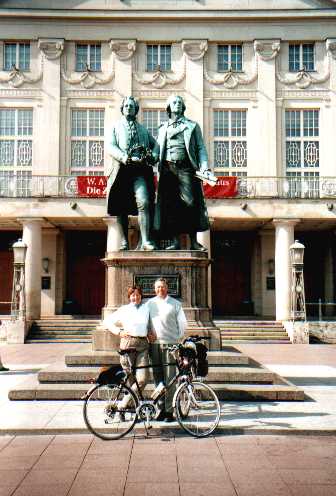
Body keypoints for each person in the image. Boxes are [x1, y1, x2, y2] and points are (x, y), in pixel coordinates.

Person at [155, 95, 211, 250]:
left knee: (190, 203)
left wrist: (204, 166)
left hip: (186, 168)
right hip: (168, 169)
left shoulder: (192, 126)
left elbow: (200, 148)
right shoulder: (163, 128)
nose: (178, 104)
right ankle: (175, 241)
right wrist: (149, 158)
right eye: (174, 102)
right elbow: (157, 150)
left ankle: (193, 241)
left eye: (180, 102)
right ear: (169, 107)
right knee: (171, 206)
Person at [107, 96, 159, 251]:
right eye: (126, 106)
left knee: (144, 202)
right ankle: (124, 241)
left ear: (136, 109)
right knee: (121, 208)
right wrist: (124, 157)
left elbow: (156, 145)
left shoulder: (143, 129)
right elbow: (110, 146)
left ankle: (145, 241)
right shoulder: (115, 127)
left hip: (140, 172)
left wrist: (154, 156)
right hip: (122, 171)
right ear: (122, 109)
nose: (129, 108)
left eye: (132, 106)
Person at [103, 285, 155, 414]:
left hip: (143, 344)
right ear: (129, 297)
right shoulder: (124, 310)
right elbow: (107, 321)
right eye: (133, 295)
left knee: (142, 379)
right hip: (128, 344)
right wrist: (118, 331)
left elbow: (150, 324)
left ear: (141, 296)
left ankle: (122, 405)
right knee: (131, 380)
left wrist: (150, 332)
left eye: (137, 295)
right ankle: (132, 409)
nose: (135, 297)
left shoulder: (146, 309)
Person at [147, 278, 187, 422]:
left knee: (170, 379)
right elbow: (145, 322)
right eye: (157, 287)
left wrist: (177, 339)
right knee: (158, 377)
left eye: (163, 287)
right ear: (154, 289)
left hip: (170, 345)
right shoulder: (149, 304)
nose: (160, 289)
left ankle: (169, 411)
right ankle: (160, 408)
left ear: (167, 288)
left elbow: (182, 325)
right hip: (155, 345)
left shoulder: (175, 304)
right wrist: (147, 334)